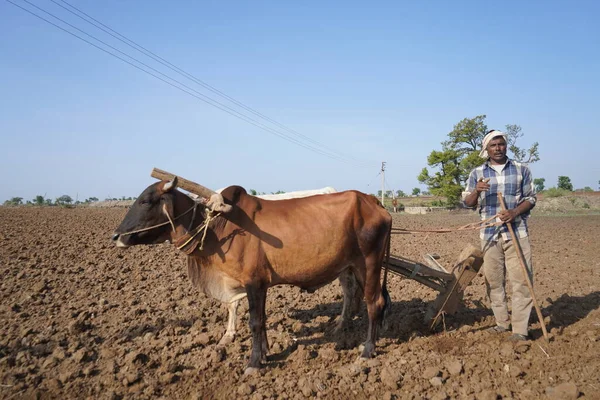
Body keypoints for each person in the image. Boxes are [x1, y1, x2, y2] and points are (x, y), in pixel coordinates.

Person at [462, 129, 537, 341]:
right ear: (486, 149)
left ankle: (520, 330)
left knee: (521, 281)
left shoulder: (522, 169)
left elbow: (531, 198)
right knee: (494, 281)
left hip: (516, 232)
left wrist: (514, 212)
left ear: (506, 145)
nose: (498, 148)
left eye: (501, 144)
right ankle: (502, 323)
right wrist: (476, 191)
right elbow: (467, 203)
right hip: (489, 234)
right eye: (493, 145)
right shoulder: (477, 173)